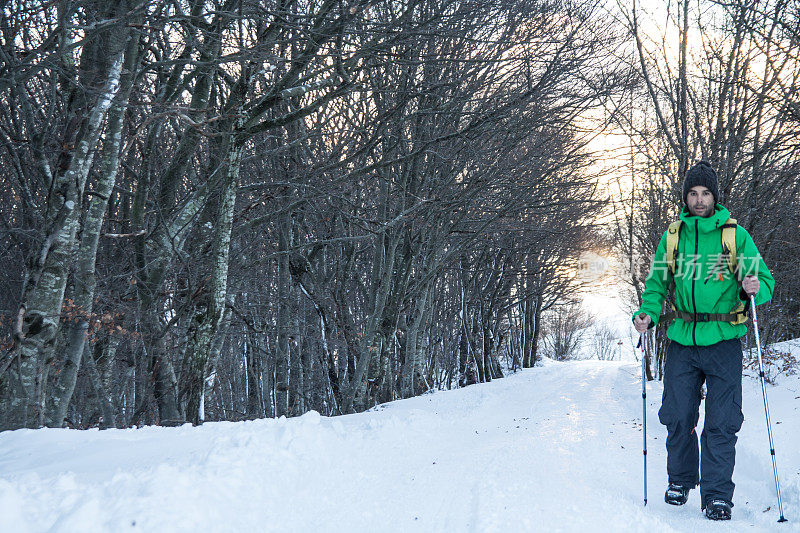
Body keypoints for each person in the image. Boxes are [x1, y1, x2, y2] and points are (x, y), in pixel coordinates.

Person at [632, 161, 774, 521]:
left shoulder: (734, 236)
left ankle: (717, 495)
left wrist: (754, 287)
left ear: (715, 196)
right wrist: (646, 312)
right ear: (685, 196)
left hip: (724, 340)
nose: (699, 199)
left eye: (705, 193)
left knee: (722, 422)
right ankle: (680, 481)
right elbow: (657, 284)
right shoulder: (674, 235)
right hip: (681, 340)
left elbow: (764, 281)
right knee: (678, 415)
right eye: (693, 193)